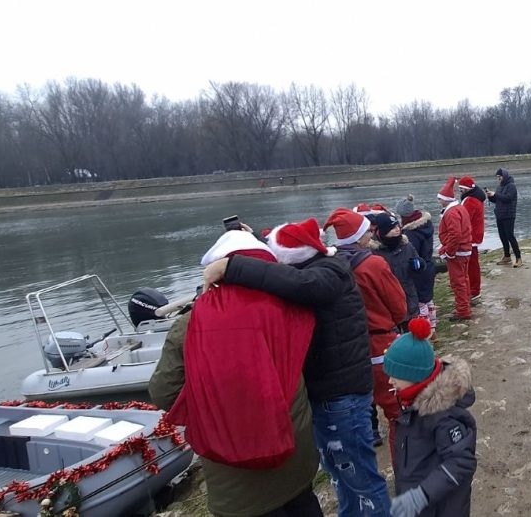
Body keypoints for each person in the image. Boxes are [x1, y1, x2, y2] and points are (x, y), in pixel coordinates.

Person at [202, 218, 390, 517]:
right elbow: (283, 273)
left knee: (358, 475)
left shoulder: (328, 275)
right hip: (332, 392)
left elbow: (297, 282)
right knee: (341, 472)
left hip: (341, 396)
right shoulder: (320, 265)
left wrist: (232, 268)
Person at [150, 231, 323, 517]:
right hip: (295, 453)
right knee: (302, 505)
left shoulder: (190, 324)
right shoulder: (290, 308)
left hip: (233, 473)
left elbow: (164, 393)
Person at [324, 208, 409, 451]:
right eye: (366, 230)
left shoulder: (330, 266)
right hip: (380, 343)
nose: (371, 232)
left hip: (349, 348)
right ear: (358, 236)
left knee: (361, 405)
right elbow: (399, 306)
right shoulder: (373, 264)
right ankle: (405, 461)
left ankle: (369, 439)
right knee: (397, 408)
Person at [384, 318, 477, 517]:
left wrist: (421, 495)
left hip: (441, 507)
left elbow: (461, 462)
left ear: (414, 376)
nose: (390, 380)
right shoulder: (412, 402)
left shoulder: (442, 415)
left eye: (395, 375)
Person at [395, 195, 439, 329]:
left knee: (420, 304)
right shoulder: (426, 224)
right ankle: (433, 328)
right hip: (429, 265)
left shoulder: (410, 233)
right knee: (428, 300)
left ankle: (425, 332)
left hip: (419, 270)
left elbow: (410, 255)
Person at [370, 211, 421, 325]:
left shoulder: (406, 244)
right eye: (392, 228)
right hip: (388, 299)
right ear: (383, 231)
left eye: (397, 226)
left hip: (409, 294)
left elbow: (417, 261)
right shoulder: (373, 251)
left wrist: (419, 265)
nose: (397, 229)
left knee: (412, 330)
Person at [437, 176, 474, 322]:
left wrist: (449, 252)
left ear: (446, 199)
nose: (439, 201)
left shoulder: (451, 213)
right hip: (465, 249)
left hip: (457, 252)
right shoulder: (459, 208)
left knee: (458, 282)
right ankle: (465, 305)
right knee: (464, 279)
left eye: (440, 199)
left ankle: (463, 311)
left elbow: (455, 234)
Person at [456, 176, 486, 302]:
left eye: (461, 189)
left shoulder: (470, 201)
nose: (460, 191)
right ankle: (473, 288)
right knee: (472, 264)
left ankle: (474, 290)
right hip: (475, 235)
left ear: (466, 189)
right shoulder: (475, 198)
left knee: (472, 265)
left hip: (471, 236)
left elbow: (464, 219)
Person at [485, 168, 522, 267]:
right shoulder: (500, 186)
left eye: (499, 177)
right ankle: (507, 256)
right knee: (502, 236)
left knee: (510, 236)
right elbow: (497, 200)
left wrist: (495, 194)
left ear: (504, 176)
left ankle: (518, 258)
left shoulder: (511, 186)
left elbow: (508, 199)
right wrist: (490, 196)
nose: (498, 179)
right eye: (497, 177)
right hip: (500, 215)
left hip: (509, 215)